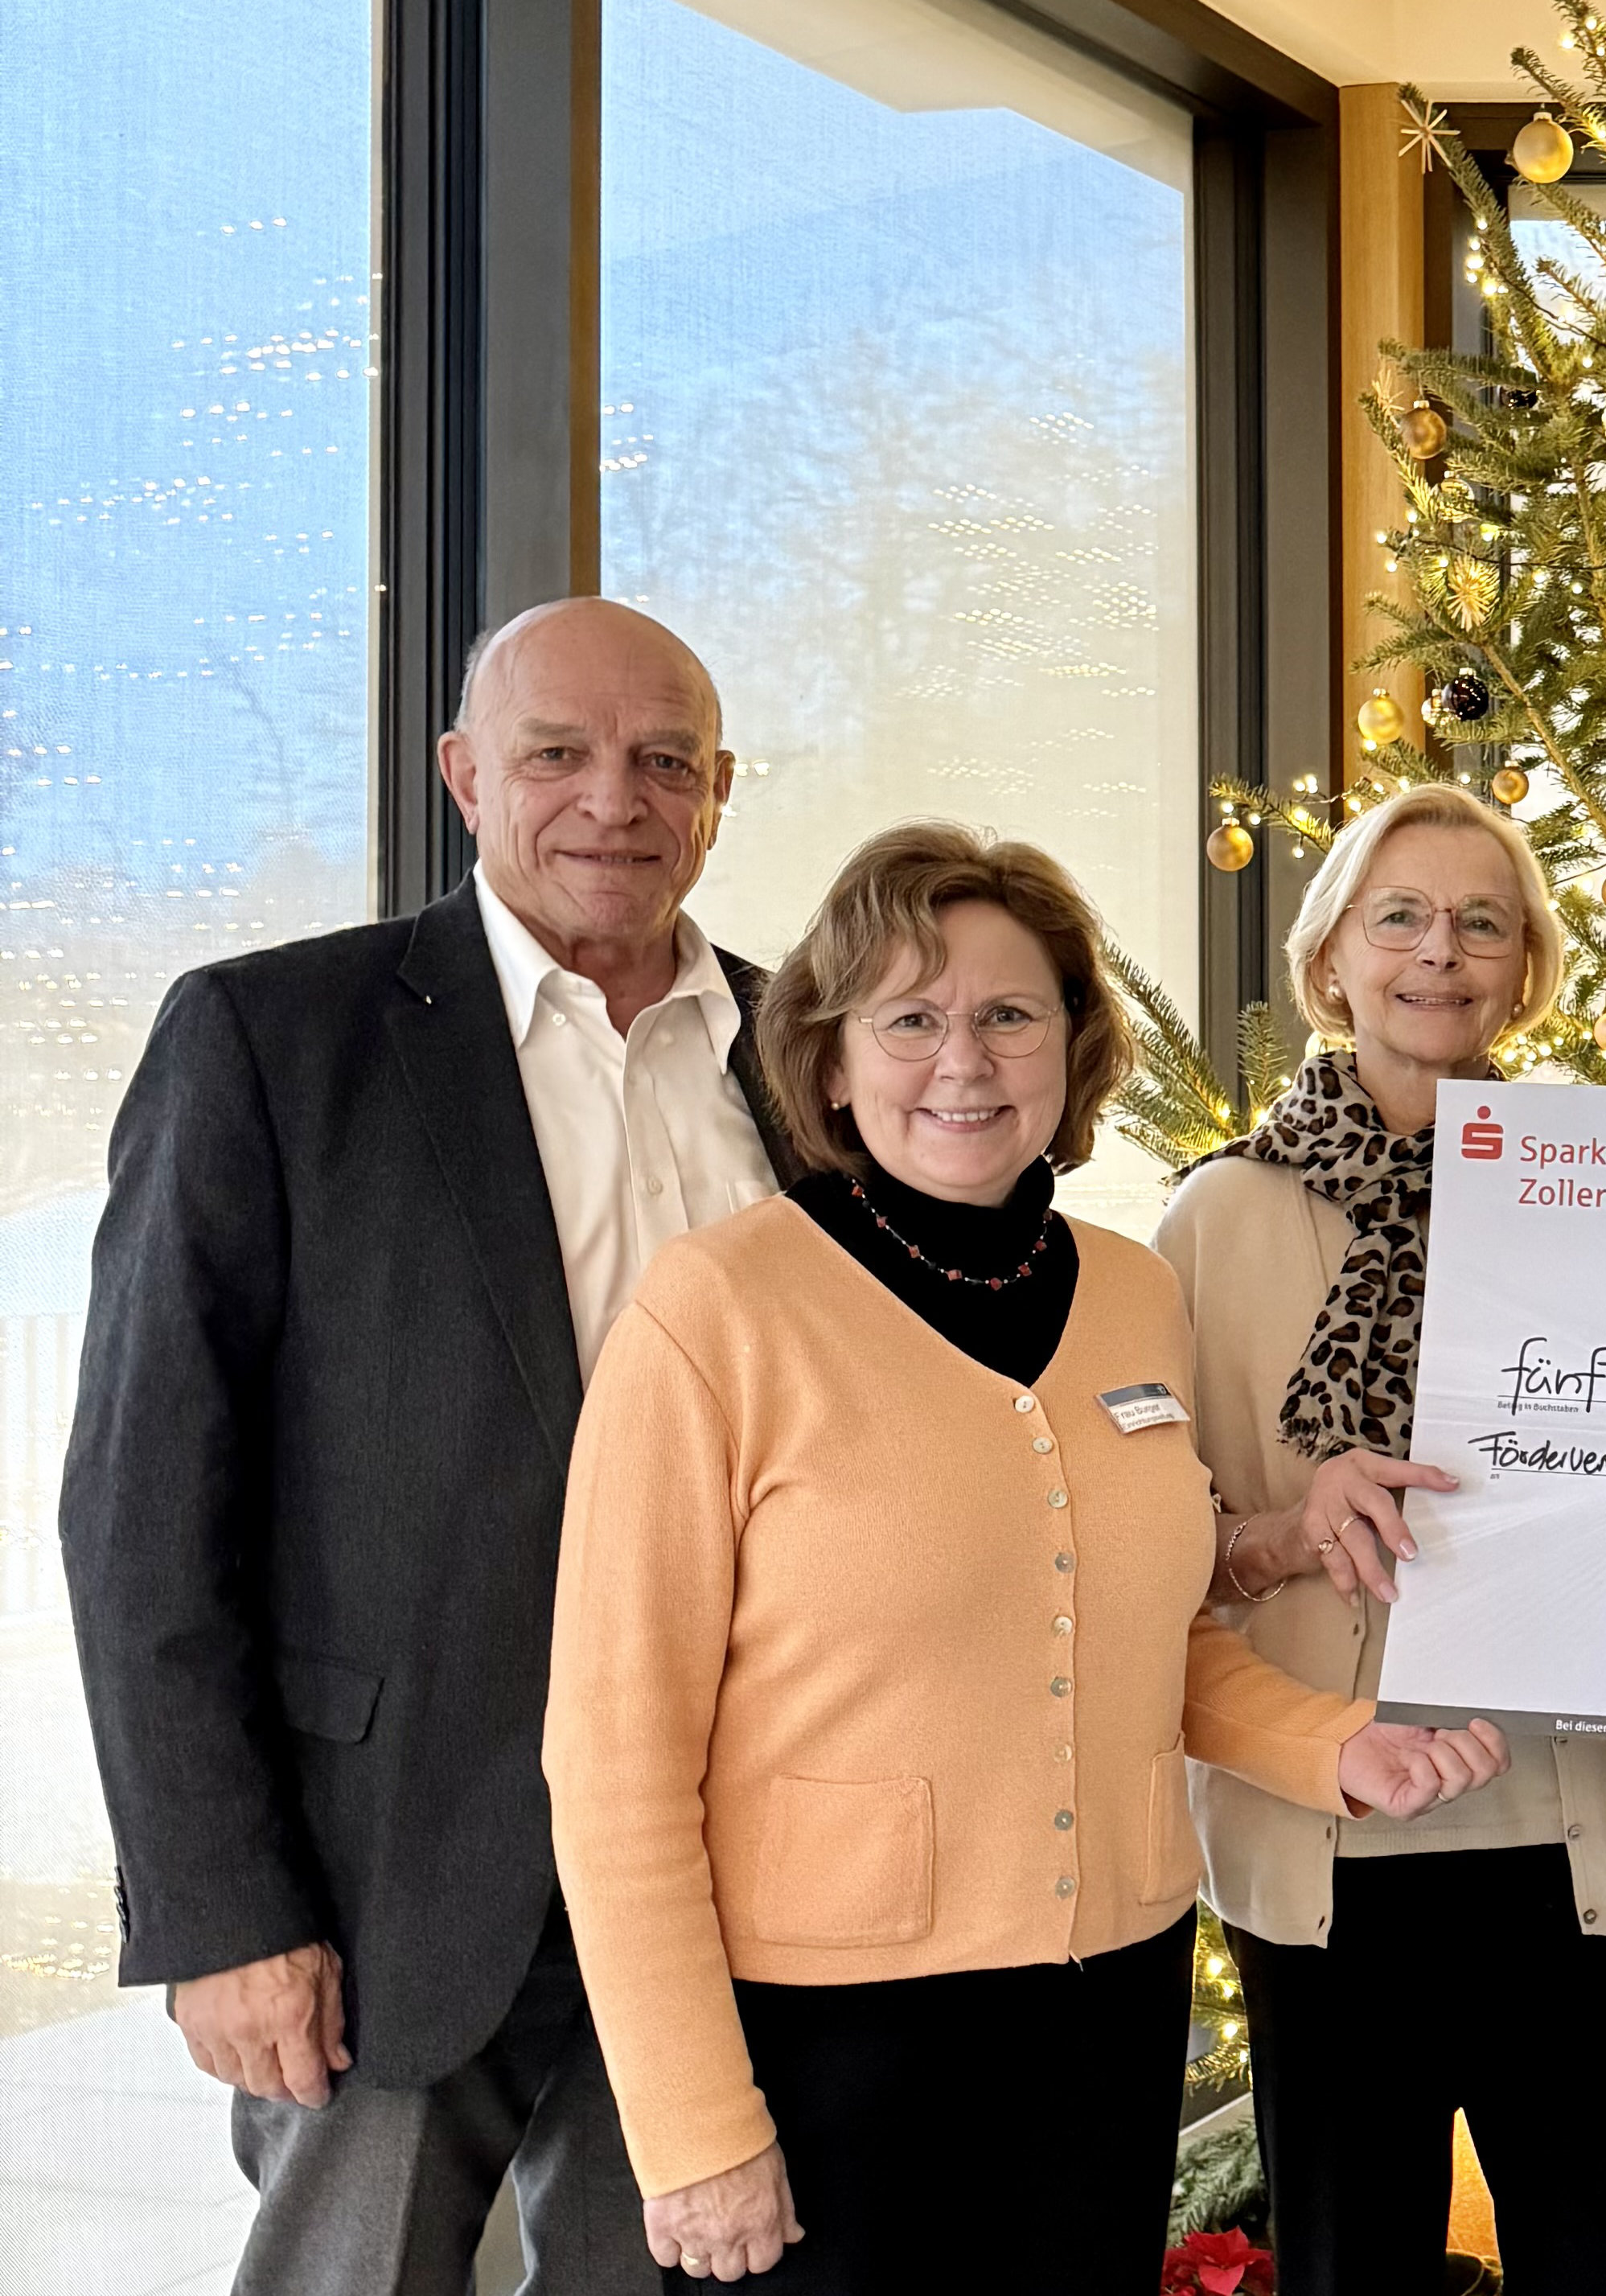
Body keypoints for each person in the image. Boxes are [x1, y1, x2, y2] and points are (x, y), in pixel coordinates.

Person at [541, 824, 1509, 2290]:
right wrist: (692, 2131)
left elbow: (1142, 1629)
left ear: (1072, 1045)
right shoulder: (714, 1314)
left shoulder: (1130, 1296)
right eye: (909, 1020)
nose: (964, 1061)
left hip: (1105, 2015)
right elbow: (616, 1760)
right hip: (825, 2039)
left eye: (1009, 1014)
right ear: (830, 1058)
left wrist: (1334, 1748)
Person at [60, 598, 793, 2294]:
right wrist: (221, 1910)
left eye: (662, 760)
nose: (613, 798)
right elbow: (143, 1511)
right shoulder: (272, 1038)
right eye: (557, 754)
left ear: (718, 792)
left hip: (731, 1876)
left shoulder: (809, 1056)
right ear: (464, 776)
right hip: (385, 1880)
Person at [1156, 781, 1606, 2296]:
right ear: (1331, 957)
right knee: (1352, 2272)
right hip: (1325, 1844)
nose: (1438, 951)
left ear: (1526, 970)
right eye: (1399, 917)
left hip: (1566, 1834)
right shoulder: (1212, 1223)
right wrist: (1281, 1535)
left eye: (1481, 922)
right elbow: (1152, 1551)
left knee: (1598, 2271)